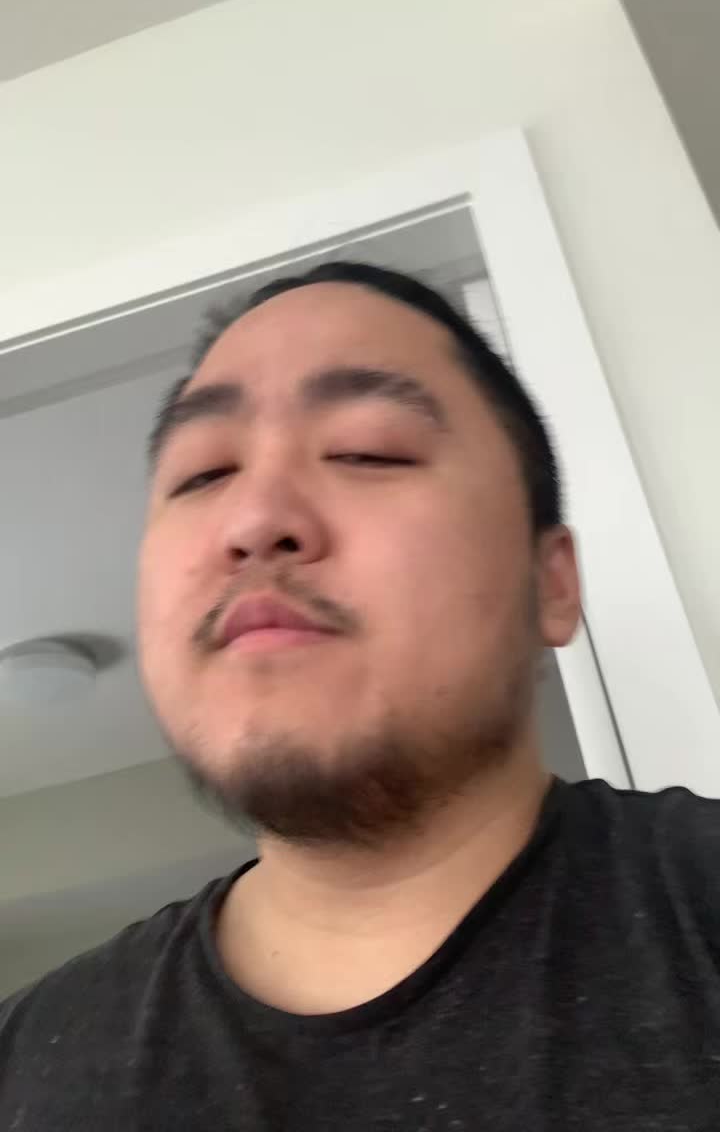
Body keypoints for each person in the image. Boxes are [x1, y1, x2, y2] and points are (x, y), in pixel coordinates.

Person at [1, 261, 719, 1131]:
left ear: (552, 582)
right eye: (203, 473)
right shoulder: (24, 1066)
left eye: (367, 451)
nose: (253, 519)